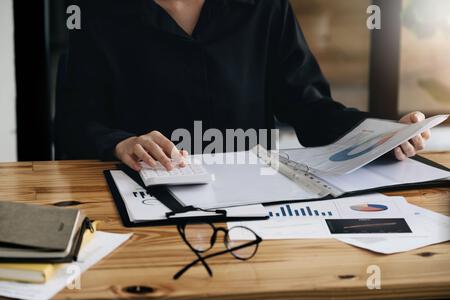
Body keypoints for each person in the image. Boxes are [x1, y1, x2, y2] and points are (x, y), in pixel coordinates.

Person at [57, 0, 430, 171]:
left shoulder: (264, 8)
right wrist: (120, 143)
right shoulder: (97, 13)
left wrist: (380, 135)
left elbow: (308, 106)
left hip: (252, 196)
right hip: (142, 191)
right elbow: (75, 124)